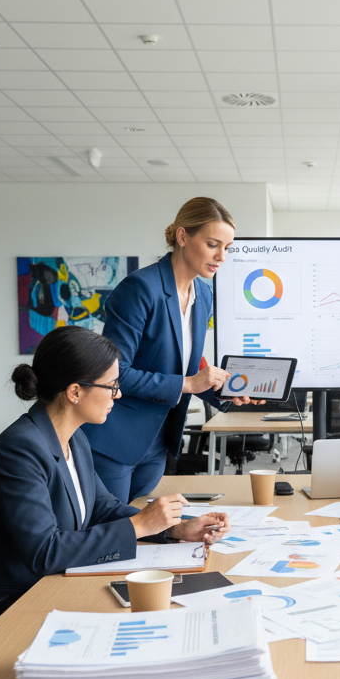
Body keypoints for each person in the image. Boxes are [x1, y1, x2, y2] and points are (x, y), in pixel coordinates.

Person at [0, 326, 229, 598]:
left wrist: (174, 528)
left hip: (56, 585)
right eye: (112, 386)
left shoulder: (76, 438)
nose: (118, 395)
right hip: (12, 601)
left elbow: (101, 508)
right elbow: (44, 551)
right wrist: (139, 525)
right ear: (74, 392)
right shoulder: (20, 450)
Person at [82, 196, 259, 503]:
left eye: (227, 248)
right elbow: (113, 373)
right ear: (182, 236)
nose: (222, 257)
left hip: (158, 442)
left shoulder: (203, 295)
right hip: (115, 440)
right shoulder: (140, 288)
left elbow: (184, 369)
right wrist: (189, 383)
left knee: (142, 533)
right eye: (213, 244)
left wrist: (226, 390)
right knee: (112, 534)